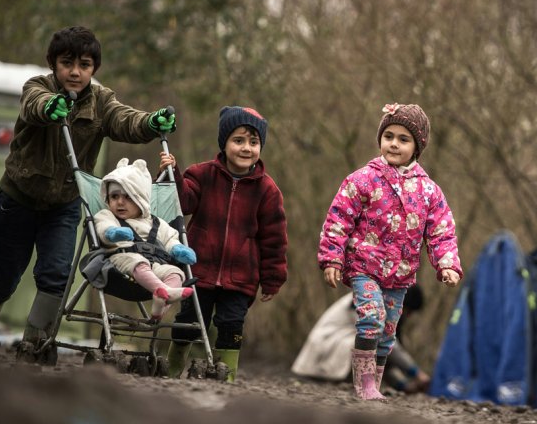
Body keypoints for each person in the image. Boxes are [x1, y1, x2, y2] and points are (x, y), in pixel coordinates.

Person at [0, 26, 178, 356]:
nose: (75, 72)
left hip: (63, 204)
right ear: (52, 63)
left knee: (58, 274)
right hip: (17, 199)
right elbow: (35, 104)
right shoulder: (37, 87)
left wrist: (151, 123)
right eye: (67, 63)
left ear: (94, 69)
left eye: (85, 65)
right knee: (3, 277)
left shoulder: (101, 101)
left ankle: (35, 343)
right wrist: (50, 108)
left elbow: (125, 120)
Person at [318, 103, 461, 401]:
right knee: (372, 317)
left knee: (387, 333)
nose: (394, 143)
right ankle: (365, 387)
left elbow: (441, 231)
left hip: (400, 274)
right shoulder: (362, 180)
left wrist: (446, 264)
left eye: (403, 139)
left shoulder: (429, 191)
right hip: (363, 266)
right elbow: (338, 218)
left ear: (417, 147)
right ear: (381, 139)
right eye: (389, 136)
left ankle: (374, 385)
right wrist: (332, 257)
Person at [160, 106, 288, 382]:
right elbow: (183, 202)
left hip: (241, 276)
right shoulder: (203, 175)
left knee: (231, 326)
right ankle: (173, 365)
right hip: (199, 270)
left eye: (254, 142)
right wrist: (175, 174)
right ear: (224, 143)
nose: (246, 148)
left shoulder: (267, 190)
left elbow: (274, 239)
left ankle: (226, 374)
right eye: (238, 140)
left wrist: (273, 278)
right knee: (189, 323)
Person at [93, 158, 196, 321]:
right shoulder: (107, 215)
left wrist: (177, 249)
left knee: (176, 272)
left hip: (156, 264)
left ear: (140, 199)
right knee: (138, 262)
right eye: (114, 196)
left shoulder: (156, 222)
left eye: (128, 197)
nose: (120, 202)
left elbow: (170, 238)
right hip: (121, 261)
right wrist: (113, 233)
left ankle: (160, 305)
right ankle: (162, 290)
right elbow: (102, 227)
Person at [291, 284, 432, 394]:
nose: (407, 316)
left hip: (332, 347)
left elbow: (384, 357)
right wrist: (417, 374)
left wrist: (403, 386)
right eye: (407, 310)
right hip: (326, 345)